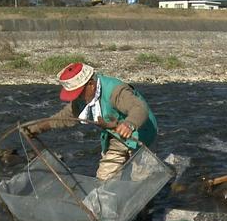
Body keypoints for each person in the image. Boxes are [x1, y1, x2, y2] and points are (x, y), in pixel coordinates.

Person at [23, 62, 158, 181]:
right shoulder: (82, 99)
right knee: (108, 177)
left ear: (91, 85)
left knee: (139, 179)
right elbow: (64, 117)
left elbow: (139, 108)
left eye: (79, 93)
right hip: (116, 136)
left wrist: (129, 124)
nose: (77, 98)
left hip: (141, 132)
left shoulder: (116, 91)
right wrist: (36, 128)